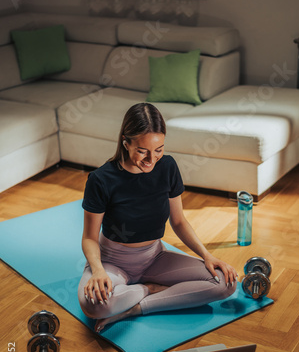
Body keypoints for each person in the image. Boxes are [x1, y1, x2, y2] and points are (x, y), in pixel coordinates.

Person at [78, 103, 238, 333]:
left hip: (154, 258)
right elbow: (90, 238)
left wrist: (207, 255)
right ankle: (149, 289)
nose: (151, 160)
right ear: (126, 141)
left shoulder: (168, 167)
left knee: (224, 282)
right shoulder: (101, 179)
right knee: (93, 305)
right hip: (112, 262)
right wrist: (98, 271)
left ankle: (137, 307)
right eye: (142, 151)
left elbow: (179, 221)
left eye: (158, 150)